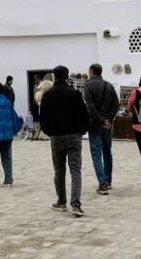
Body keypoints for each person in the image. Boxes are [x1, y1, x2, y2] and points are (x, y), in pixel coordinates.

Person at [39, 65, 89, 217]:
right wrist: (82, 131)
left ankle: (61, 201)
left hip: (57, 137)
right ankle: (76, 204)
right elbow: (84, 114)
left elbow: (43, 119)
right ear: (67, 76)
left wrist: (50, 132)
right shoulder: (74, 93)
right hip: (74, 136)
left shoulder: (48, 95)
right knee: (75, 170)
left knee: (59, 171)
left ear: (54, 77)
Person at [83, 63, 119, 195]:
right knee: (107, 152)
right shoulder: (109, 85)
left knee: (96, 153)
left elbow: (90, 107)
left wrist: (101, 120)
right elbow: (116, 103)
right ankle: (108, 181)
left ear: (92, 72)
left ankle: (102, 183)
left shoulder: (88, 86)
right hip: (107, 125)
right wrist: (109, 119)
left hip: (95, 124)